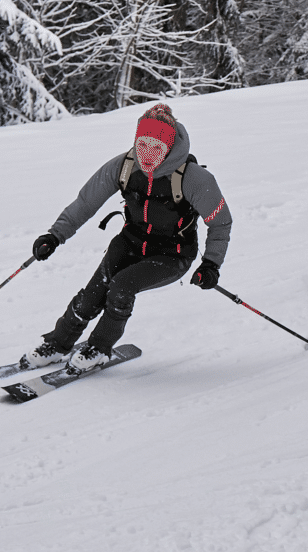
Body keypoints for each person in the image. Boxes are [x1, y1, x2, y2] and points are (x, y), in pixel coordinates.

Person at [24, 103, 232, 371]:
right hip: (130, 242)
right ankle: (58, 344)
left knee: (121, 287)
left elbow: (221, 223)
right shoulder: (124, 167)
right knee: (92, 295)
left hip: (172, 254)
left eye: (157, 148)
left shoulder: (193, 178)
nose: (148, 154)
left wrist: (211, 264)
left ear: (169, 147)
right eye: (142, 144)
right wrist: (54, 236)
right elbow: (86, 202)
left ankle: (98, 349)